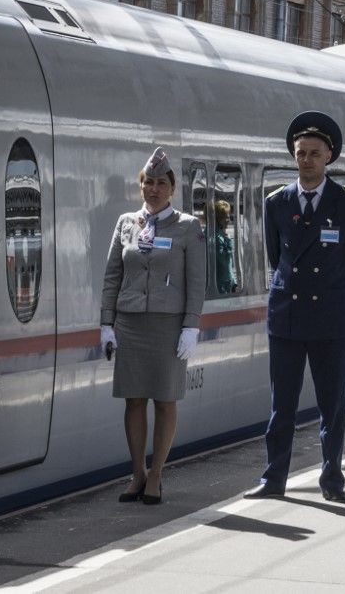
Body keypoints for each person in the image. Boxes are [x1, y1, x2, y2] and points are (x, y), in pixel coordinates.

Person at [244, 112, 345, 503]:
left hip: (331, 319)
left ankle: (332, 479)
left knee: (331, 406)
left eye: (314, 154)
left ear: (329, 156)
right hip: (287, 317)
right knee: (281, 406)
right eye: (301, 154)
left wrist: (334, 289)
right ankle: (273, 479)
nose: (307, 160)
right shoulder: (276, 203)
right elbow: (274, 255)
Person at [101, 147, 207, 505]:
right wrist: (106, 324)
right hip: (130, 323)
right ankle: (136, 473)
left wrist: (191, 326)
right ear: (141, 186)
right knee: (133, 401)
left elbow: (197, 282)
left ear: (171, 188)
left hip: (167, 326)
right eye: (148, 182)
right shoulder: (126, 223)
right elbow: (112, 276)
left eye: (161, 183)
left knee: (165, 400)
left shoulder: (188, 227)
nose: (154, 189)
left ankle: (156, 475)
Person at [214, 200, 237, 294]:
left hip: (226, 283)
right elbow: (225, 263)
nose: (229, 220)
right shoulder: (218, 238)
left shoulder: (219, 235)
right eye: (226, 217)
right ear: (219, 218)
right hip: (222, 286)